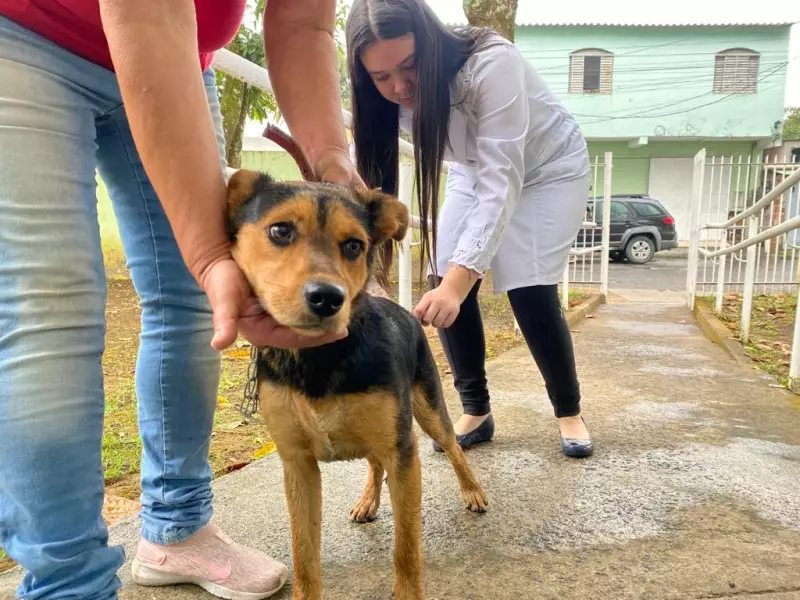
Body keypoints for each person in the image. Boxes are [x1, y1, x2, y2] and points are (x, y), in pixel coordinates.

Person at [0, 0, 362, 598]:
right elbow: (147, 11)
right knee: (49, 309)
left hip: (181, 57)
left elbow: (304, 22)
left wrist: (332, 161)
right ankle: (69, 584)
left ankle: (177, 527)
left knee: (199, 304)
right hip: (27, 31)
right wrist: (209, 253)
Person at [346, 0, 594, 458]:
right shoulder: (382, 97)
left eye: (409, 66)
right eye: (381, 76)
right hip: (471, 169)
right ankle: (476, 410)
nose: (399, 86)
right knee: (442, 275)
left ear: (430, 42)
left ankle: (568, 411)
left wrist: (460, 285)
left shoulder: (492, 64)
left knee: (527, 282)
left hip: (548, 169)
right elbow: (361, 173)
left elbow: (502, 182)